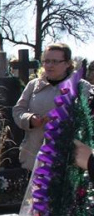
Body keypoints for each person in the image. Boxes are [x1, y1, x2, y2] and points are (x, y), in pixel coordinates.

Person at [13, 43, 90, 171]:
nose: (49, 65)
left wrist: (60, 120)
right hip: (34, 156)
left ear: (67, 63)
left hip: (66, 160)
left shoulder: (81, 86)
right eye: (46, 61)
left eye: (55, 61)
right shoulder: (33, 85)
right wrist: (30, 119)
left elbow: (86, 119)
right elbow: (18, 110)